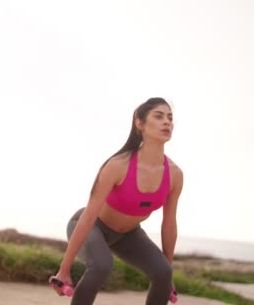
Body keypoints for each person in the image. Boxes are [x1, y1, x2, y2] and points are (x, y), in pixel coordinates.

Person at [51, 97, 184, 305]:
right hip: (91, 225)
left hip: (128, 234)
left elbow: (169, 224)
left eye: (169, 118)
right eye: (158, 116)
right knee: (102, 265)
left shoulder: (175, 174)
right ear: (139, 123)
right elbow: (89, 215)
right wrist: (64, 269)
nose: (167, 122)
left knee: (162, 272)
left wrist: (168, 277)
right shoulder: (118, 165)